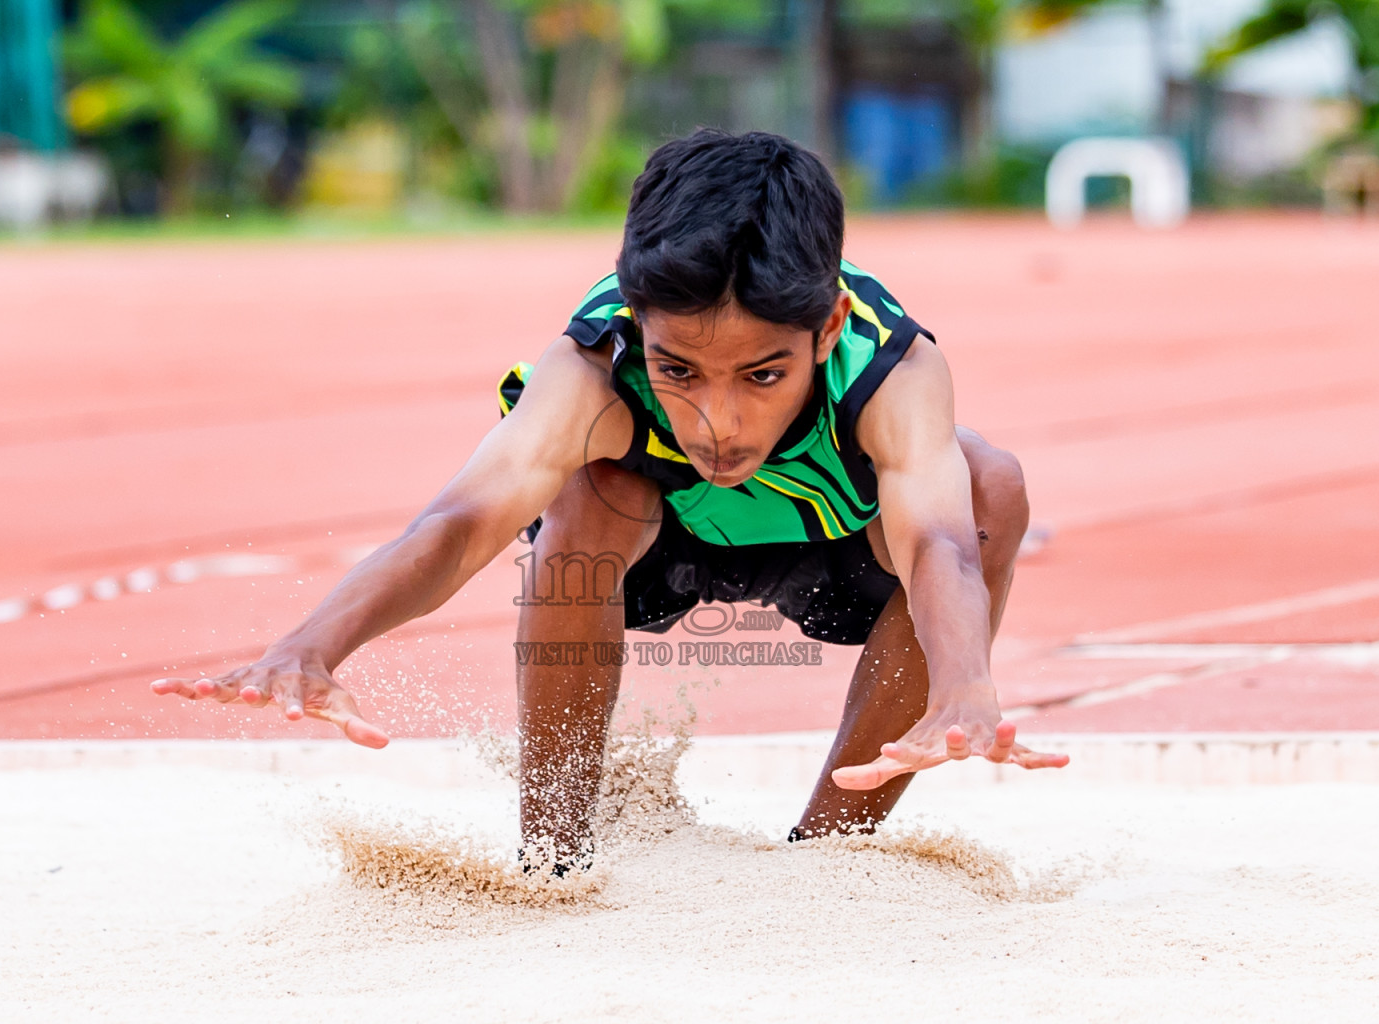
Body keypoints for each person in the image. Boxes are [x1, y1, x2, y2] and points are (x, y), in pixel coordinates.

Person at [152, 128, 1068, 872]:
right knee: (587, 492)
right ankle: (554, 855)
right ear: (637, 325)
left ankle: (830, 856)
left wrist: (964, 687)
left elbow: (940, 542)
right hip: (650, 548)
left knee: (992, 481)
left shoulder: (891, 364)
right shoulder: (594, 362)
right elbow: (459, 524)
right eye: (679, 370)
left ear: (825, 327)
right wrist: (311, 645)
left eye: (762, 374)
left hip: (837, 556)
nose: (718, 421)